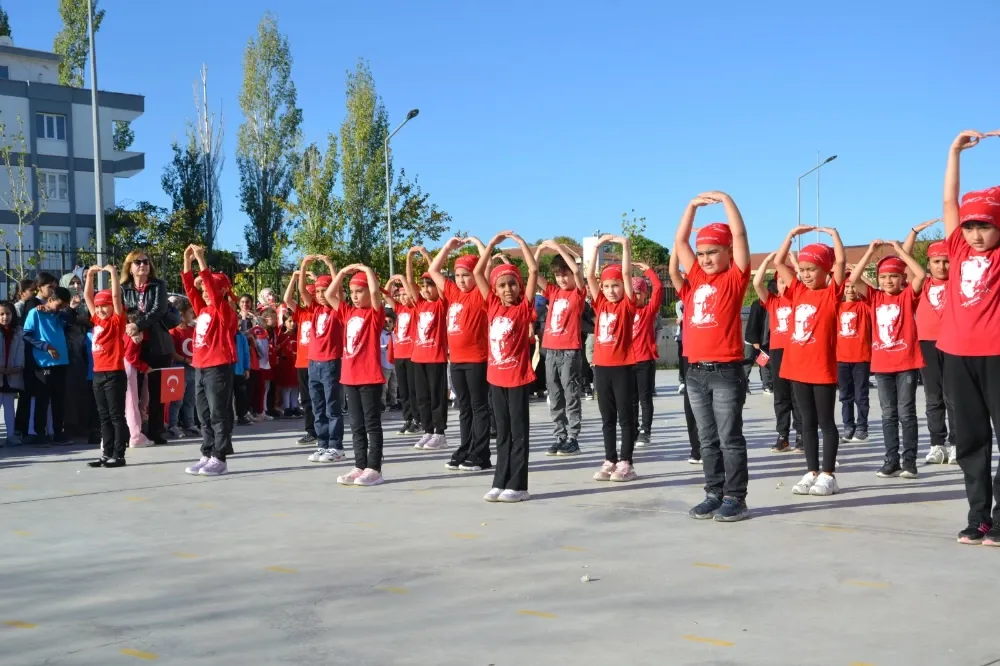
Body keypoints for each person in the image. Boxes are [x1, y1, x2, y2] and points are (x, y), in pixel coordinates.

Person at [674, 191, 752, 522]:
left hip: (725, 373)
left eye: (712, 252)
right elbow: (680, 242)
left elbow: (740, 235)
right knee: (706, 439)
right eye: (702, 253)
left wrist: (726, 200)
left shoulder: (734, 278)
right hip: (695, 373)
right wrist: (690, 207)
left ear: (727, 253)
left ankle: (736, 497)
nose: (705, 258)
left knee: (728, 437)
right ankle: (713, 492)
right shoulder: (696, 278)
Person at [938, 130, 1000, 545]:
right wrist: (954, 152)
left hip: (996, 355)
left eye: (985, 226)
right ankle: (978, 517)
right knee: (971, 440)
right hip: (957, 356)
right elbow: (949, 202)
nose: (976, 234)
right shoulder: (958, 248)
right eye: (971, 226)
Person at [773, 226, 847, 497]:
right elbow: (779, 262)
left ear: (825, 271)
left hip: (822, 369)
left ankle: (828, 475)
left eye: (811, 269)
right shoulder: (797, 292)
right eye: (802, 269)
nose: (805, 274)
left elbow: (840, 261)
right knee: (806, 423)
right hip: (797, 367)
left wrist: (833, 236)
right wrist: (790, 236)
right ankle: (811, 471)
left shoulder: (831, 294)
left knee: (826, 422)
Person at [848, 240, 926, 479]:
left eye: (893, 276)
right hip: (882, 365)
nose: (888, 281)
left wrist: (901, 252)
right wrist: (869, 252)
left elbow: (921, 274)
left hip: (906, 364)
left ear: (902, 278)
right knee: (888, 414)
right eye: (883, 277)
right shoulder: (874, 298)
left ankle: (909, 461)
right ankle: (891, 460)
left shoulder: (906, 297)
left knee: (906, 413)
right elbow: (853, 279)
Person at [474, 231, 538, 503]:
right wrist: (490, 246)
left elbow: (534, 269)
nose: (507, 289)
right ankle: (499, 481)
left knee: (518, 432)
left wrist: (521, 244)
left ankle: (518, 484)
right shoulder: (492, 306)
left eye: (512, 284)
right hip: (496, 378)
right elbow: (478, 273)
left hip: (518, 378)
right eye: (502, 285)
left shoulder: (523, 309)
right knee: (501, 433)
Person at [429, 237, 493, 471]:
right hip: (456, 360)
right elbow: (433, 270)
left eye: (466, 275)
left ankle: (481, 455)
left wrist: (477, 243)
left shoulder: (480, 294)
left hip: (477, 359)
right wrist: (447, 247)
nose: (462, 280)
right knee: (464, 408)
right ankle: (465, 449)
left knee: (479, 408)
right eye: (458, 275)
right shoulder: (454, 293)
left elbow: (484, 267)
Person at [902, 220, 957, 465]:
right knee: (933, 396)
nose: (942, 266)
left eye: (946, 261)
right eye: (936, 261)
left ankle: (957, 442)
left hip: (955, 343)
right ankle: (937, 444)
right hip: (927, 343)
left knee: (954, 395)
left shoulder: (958, 282)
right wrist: (913, 233)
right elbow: (905, 258)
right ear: (928, 264)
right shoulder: (922, 284)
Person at [181, 245, 238, 476]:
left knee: (217, 413)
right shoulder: (203, 310)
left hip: (218, 367)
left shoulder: (224, 310)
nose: (204, 292)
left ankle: (219, 457)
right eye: (203, 288)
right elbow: (189, 289)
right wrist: (187, 261)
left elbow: (213, 294)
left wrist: (201, 259)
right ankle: (207, 452)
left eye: (209, 288)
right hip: (201, 367)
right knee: (203, 414)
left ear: (222, 290)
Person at [585, 235, 638, 481]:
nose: (611, 290)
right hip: (602, 368)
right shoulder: (600, 304)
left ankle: (626, 462)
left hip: (623, 367)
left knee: (625, 417)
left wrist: (625, 246)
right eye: (607, 286)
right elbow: (589, 277)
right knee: (607, 419)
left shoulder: (627, 305)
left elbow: (627, 275)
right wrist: (596, 248)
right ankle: (610, 459)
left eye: (615, 285)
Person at [527, 241, 585, 456]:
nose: (562, 279)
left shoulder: (577, 293)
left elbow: (578, 271)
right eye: (558, 275)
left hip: (569, 351)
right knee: (555, 395)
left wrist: (560, 249)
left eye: (565, 274)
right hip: (551, 350)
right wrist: (540, 251)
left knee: (570, 394)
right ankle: (560, 435)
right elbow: (535, 274)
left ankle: (573, 437)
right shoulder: (553, 292)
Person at [335, 265, 389, 487]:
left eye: (360, 291)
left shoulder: (375, 314)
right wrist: (341, 273)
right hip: (350, 377)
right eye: (352, 292)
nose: (355, 296)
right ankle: (360, 465)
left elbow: (377, 294)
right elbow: (330, 294)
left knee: (371, 424)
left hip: (369, 377)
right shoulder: (348, 312)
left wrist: (367, 270)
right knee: (356, 424)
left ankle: (374, 468)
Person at [119, 251, 178, 445]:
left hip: (157, 344)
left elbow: (158, 310)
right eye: (138, 262)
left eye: (146, 261)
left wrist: (138, 325)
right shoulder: (124, 288)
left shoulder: (158, 285)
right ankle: (134, 430)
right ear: (130, 266)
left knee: (157, 391)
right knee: (132, 391)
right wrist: (132, 328)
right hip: (134, 345)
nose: (143, 265)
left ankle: (155, 430)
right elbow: (123, 313)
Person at [752, 253, 803, 452]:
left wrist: (796, 265)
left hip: (796, 350)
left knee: (798, 396)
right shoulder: (772, 301)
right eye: (780, 282)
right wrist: (766, 262)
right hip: (777, 352)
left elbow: (802, 283)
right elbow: (757, 284)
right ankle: (783, 435)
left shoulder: (799, 298)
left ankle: (801, 434)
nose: (784, 286)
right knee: (781, 396)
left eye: (786, 281)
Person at [298, 255, 346, 463]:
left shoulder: (338, 310)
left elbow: (340, 291)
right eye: (317, 291)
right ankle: (322, 444)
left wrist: (331, 266)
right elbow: (301, 291)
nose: (321, 295)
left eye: (324, 291)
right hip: (313, 363)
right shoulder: (315, 309)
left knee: (332, 406)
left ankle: (336, 446)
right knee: (317, 406)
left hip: (331, 362)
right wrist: (303, 266)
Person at [403, 246, 449, 450]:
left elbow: (437, 275)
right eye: (424, 286)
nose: (425, 289)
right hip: (418, 357)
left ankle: (440, 432)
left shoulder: (440, 303)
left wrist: (428, 256)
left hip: (436, 358)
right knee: (422, 398)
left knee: (436, 397)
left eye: (429, 285)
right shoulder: (420, 304)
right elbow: (409, 282)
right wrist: (409, 258)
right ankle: (428, 430)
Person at [83, 266, 129, 468]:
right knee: (103, 417)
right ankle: (106, 452)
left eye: (105, 306)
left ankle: (119, 454)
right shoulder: (96, 320)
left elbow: (117, 297)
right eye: (99, 306)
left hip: (114, 374)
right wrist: (91, 275)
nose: (100, 309)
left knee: (116, 415)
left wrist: (112, 274)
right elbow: (87, 296)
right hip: (98, 374)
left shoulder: (116, 321)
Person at [22, 285, 73, 444]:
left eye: (65, 305)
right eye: (59, 305)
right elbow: (26, 335)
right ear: (50, 300)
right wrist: (46, 346)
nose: (62, 308)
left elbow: (71, 321)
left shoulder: (60, 315)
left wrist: (62, 311)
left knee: (59, 399)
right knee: (43, 399)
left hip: (61, 362)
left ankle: (59, 432)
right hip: (43, 363)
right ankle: (40, 433)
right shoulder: (35, 313)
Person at [282, 270, 318, 443]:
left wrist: (316, 279)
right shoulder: (301, 313)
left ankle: (323, 430)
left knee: (320, 397)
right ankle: (311, 431)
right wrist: (294, 278)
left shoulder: (320, 311)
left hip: (318, 361)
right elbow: (287, 299)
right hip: (302, 362)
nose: (304, 299)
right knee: (306, 399)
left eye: (308, 295)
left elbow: (329, 292)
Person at [631, 261, 663, 447]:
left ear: (644, 294)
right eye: (633, 292)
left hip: (644, 360)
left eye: (639, 292)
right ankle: (633, 429)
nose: (635, 296)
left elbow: (658, 288)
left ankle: (645, 431)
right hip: (628, 362)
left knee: (645, 397)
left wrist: (649, 271)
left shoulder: (648, 311)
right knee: (631, 399)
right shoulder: (626, 310)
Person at [836, 280, 872, 444]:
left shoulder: (864, 306)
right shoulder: (837, 307)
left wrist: (861, 277)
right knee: (845, 396)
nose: (850, 290)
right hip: (841, 358)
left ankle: (862, 427)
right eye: (847, 286)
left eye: (853, 286)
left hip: (861, 358)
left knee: (861, 395)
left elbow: (872, 291)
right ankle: (848, 426)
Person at [385, 280, 420, 435]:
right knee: (404, 390)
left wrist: (404, 281)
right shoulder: (399, 308)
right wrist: (391, 281)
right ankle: (408, 418)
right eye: (401, 295)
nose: (404, 298)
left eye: (406, 294)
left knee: (413, 390)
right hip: (400, 354)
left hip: (412, 354)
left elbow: (413, 295)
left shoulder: (416, 308)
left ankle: (417, 419)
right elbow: (386, 296)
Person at [168, 301, 199, 438]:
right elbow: (172, 352)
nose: (192, 315)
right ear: (181, 314)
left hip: (193, 368)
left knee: (190, 399)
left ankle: (189, 424)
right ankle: (172, 425)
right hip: (180, 367)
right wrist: (186, 360)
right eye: (190, 312)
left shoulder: (193, 330)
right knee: (177, 399)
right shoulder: (174, 332)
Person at [123, 309, 153, 449]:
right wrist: (144, 367)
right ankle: (135, 436)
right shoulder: (134, 337)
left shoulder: (123, 333)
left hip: (119, 367)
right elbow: (130, 357)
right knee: (132, 403)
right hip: (129, 368)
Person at [0, 300, 24, 446]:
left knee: (9, 406)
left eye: (8, 313)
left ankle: (11, 435)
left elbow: (21, 350)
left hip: (12, 374)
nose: (5, 317)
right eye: (1, 314)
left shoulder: (18, 331)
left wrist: (18, 367)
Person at [275, 313, 299, 417]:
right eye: (290, 321)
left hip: (296, 363)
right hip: (286, 364)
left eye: (294, 321)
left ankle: (295, 406)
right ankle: (287, 407)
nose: (292, 323)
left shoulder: (298, 335)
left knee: (296, 386)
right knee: (287, 386)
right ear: (284, 322)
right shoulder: (282, 336)